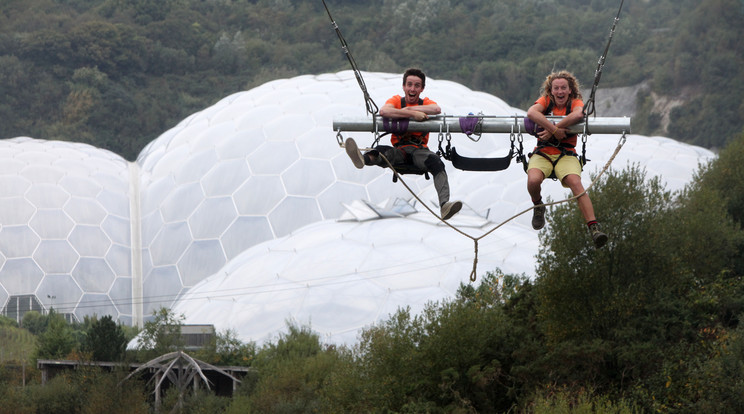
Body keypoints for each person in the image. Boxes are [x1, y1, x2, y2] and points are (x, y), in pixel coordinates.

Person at [345, 68, 462, 221]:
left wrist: (407, 110)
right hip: (400, 150)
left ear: (422, 89)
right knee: (382, 151)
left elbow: (436, 109)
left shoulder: (425, 102)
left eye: (417, 86)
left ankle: (444, 205)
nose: (412, 89)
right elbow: (385, 111)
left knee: (436, 162)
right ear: (404, 86)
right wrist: (412, 113)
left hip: (419, 151)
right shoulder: (396, 101)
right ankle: (363, 159)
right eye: (409, 85)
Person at [525, 70, 608, 248]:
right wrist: (554, 130)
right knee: (533, 180)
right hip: (543, 152)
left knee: (576, 184)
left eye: (564, 88)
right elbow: (532, 113)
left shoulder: (575, 102)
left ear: (570, 90)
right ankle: (538, 205)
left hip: (566, 153)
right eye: (556, 88)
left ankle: (594, 228)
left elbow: (578, 115)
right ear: (551, 90)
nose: (560, 92)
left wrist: (554, 128)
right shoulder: (546, 101)